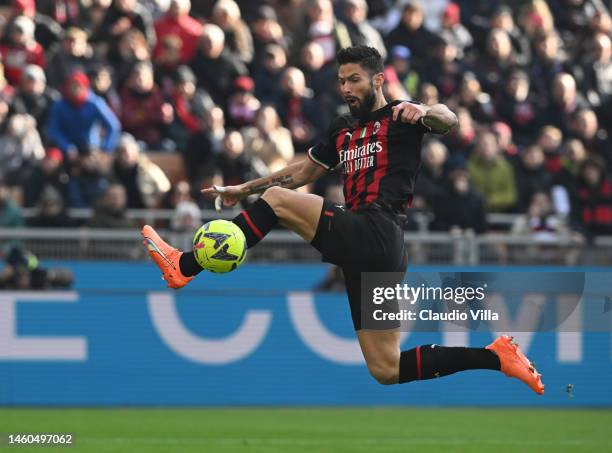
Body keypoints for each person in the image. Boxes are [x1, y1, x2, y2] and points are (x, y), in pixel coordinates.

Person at [141, 46, 544, 395]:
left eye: (354, 80)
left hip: (378, 231)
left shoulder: (401, 118)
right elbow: (301, 174)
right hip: (374, 255)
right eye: (341, 81)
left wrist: (423, 110)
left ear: (379, 80)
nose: (346, 88)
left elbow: (448, 119)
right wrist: (242, 189)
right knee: (386, 369)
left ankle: (186, 265)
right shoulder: (343, 129)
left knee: (278, 201)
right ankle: (496, 357)